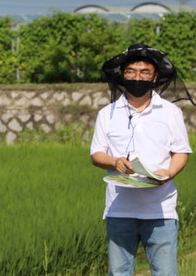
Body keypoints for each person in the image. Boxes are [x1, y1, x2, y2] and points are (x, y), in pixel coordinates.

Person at [91, 44, 192, 276]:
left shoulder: (170, 112)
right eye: (131, 72)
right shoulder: (107, 113)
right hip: (119, 209)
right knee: (118, 272)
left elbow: (181, 152)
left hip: (161, 209)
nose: (138, 77)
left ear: (155, 76)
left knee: (165, 272)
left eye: (144, 72)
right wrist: (114, 162)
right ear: (122, 75)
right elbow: (96, 154)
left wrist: (168, 174)